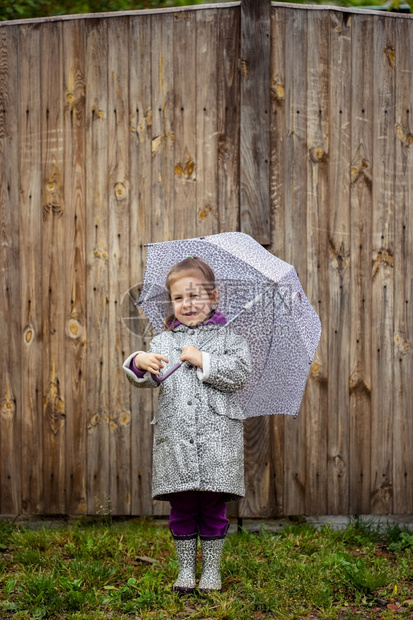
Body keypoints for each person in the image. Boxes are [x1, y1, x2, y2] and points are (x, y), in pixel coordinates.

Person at [123, 256, 251, 593]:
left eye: (195, 296)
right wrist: (139, 362)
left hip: (217, 441)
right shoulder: (164, 341)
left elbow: (239, 374)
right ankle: (184, 571)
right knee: (181, 506)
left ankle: (210, 571)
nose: (187, 304)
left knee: (211, 506)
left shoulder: (230, 339)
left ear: (214, 297)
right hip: (176, 439)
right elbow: (149, 380)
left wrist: (203, 359)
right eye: (179, 298)